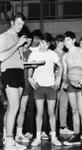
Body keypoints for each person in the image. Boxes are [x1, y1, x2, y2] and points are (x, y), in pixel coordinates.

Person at [28, 32, 62, 146]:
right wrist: (29, 78)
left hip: (51, 86)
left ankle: (54, 137)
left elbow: (61, 66)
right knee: (39, 112)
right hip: (39, 87)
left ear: (49, 45)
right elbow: (29, 67)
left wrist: (58, 79)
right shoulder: (33, 54)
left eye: (46, 44)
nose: (44, 45)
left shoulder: (52, 54)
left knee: (51, 112)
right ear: (40, 41)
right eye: (43, 42)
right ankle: (37, 138)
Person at [0, 12, 28, 150]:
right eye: (18, 23)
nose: (21, 26)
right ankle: (10, 141)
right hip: (9, 73)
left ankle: (6, 136)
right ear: (12, 23)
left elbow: (18, 59)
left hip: (19, 72)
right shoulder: (3, 37)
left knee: (11, 107)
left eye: (22, 24)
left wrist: (28, 63)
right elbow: (1, 56)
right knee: (15, 107)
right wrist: (18, 44)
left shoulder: (17, 37)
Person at [62, 31, 82, 148]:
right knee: (73, 109)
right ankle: (76, 134)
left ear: (74, 40)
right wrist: (64, 82)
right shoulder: (65, 56)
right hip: (70, 83)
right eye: (64, 40)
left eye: (68, 40)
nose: (66, 42)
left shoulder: (81, 50)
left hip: (81, 82)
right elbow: (65, 72)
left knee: (81, 110)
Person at [54, 34, 73, 135]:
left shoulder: (67, 53)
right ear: (56, 42)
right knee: (54, 105)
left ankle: (63, 126)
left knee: (64, 105)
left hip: (65, 82)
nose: (62, 43)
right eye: (60, 41)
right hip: (55, 82)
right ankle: (53, 127)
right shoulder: (52, 53)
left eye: (63, 41)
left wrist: (65, 81)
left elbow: (68, 69)